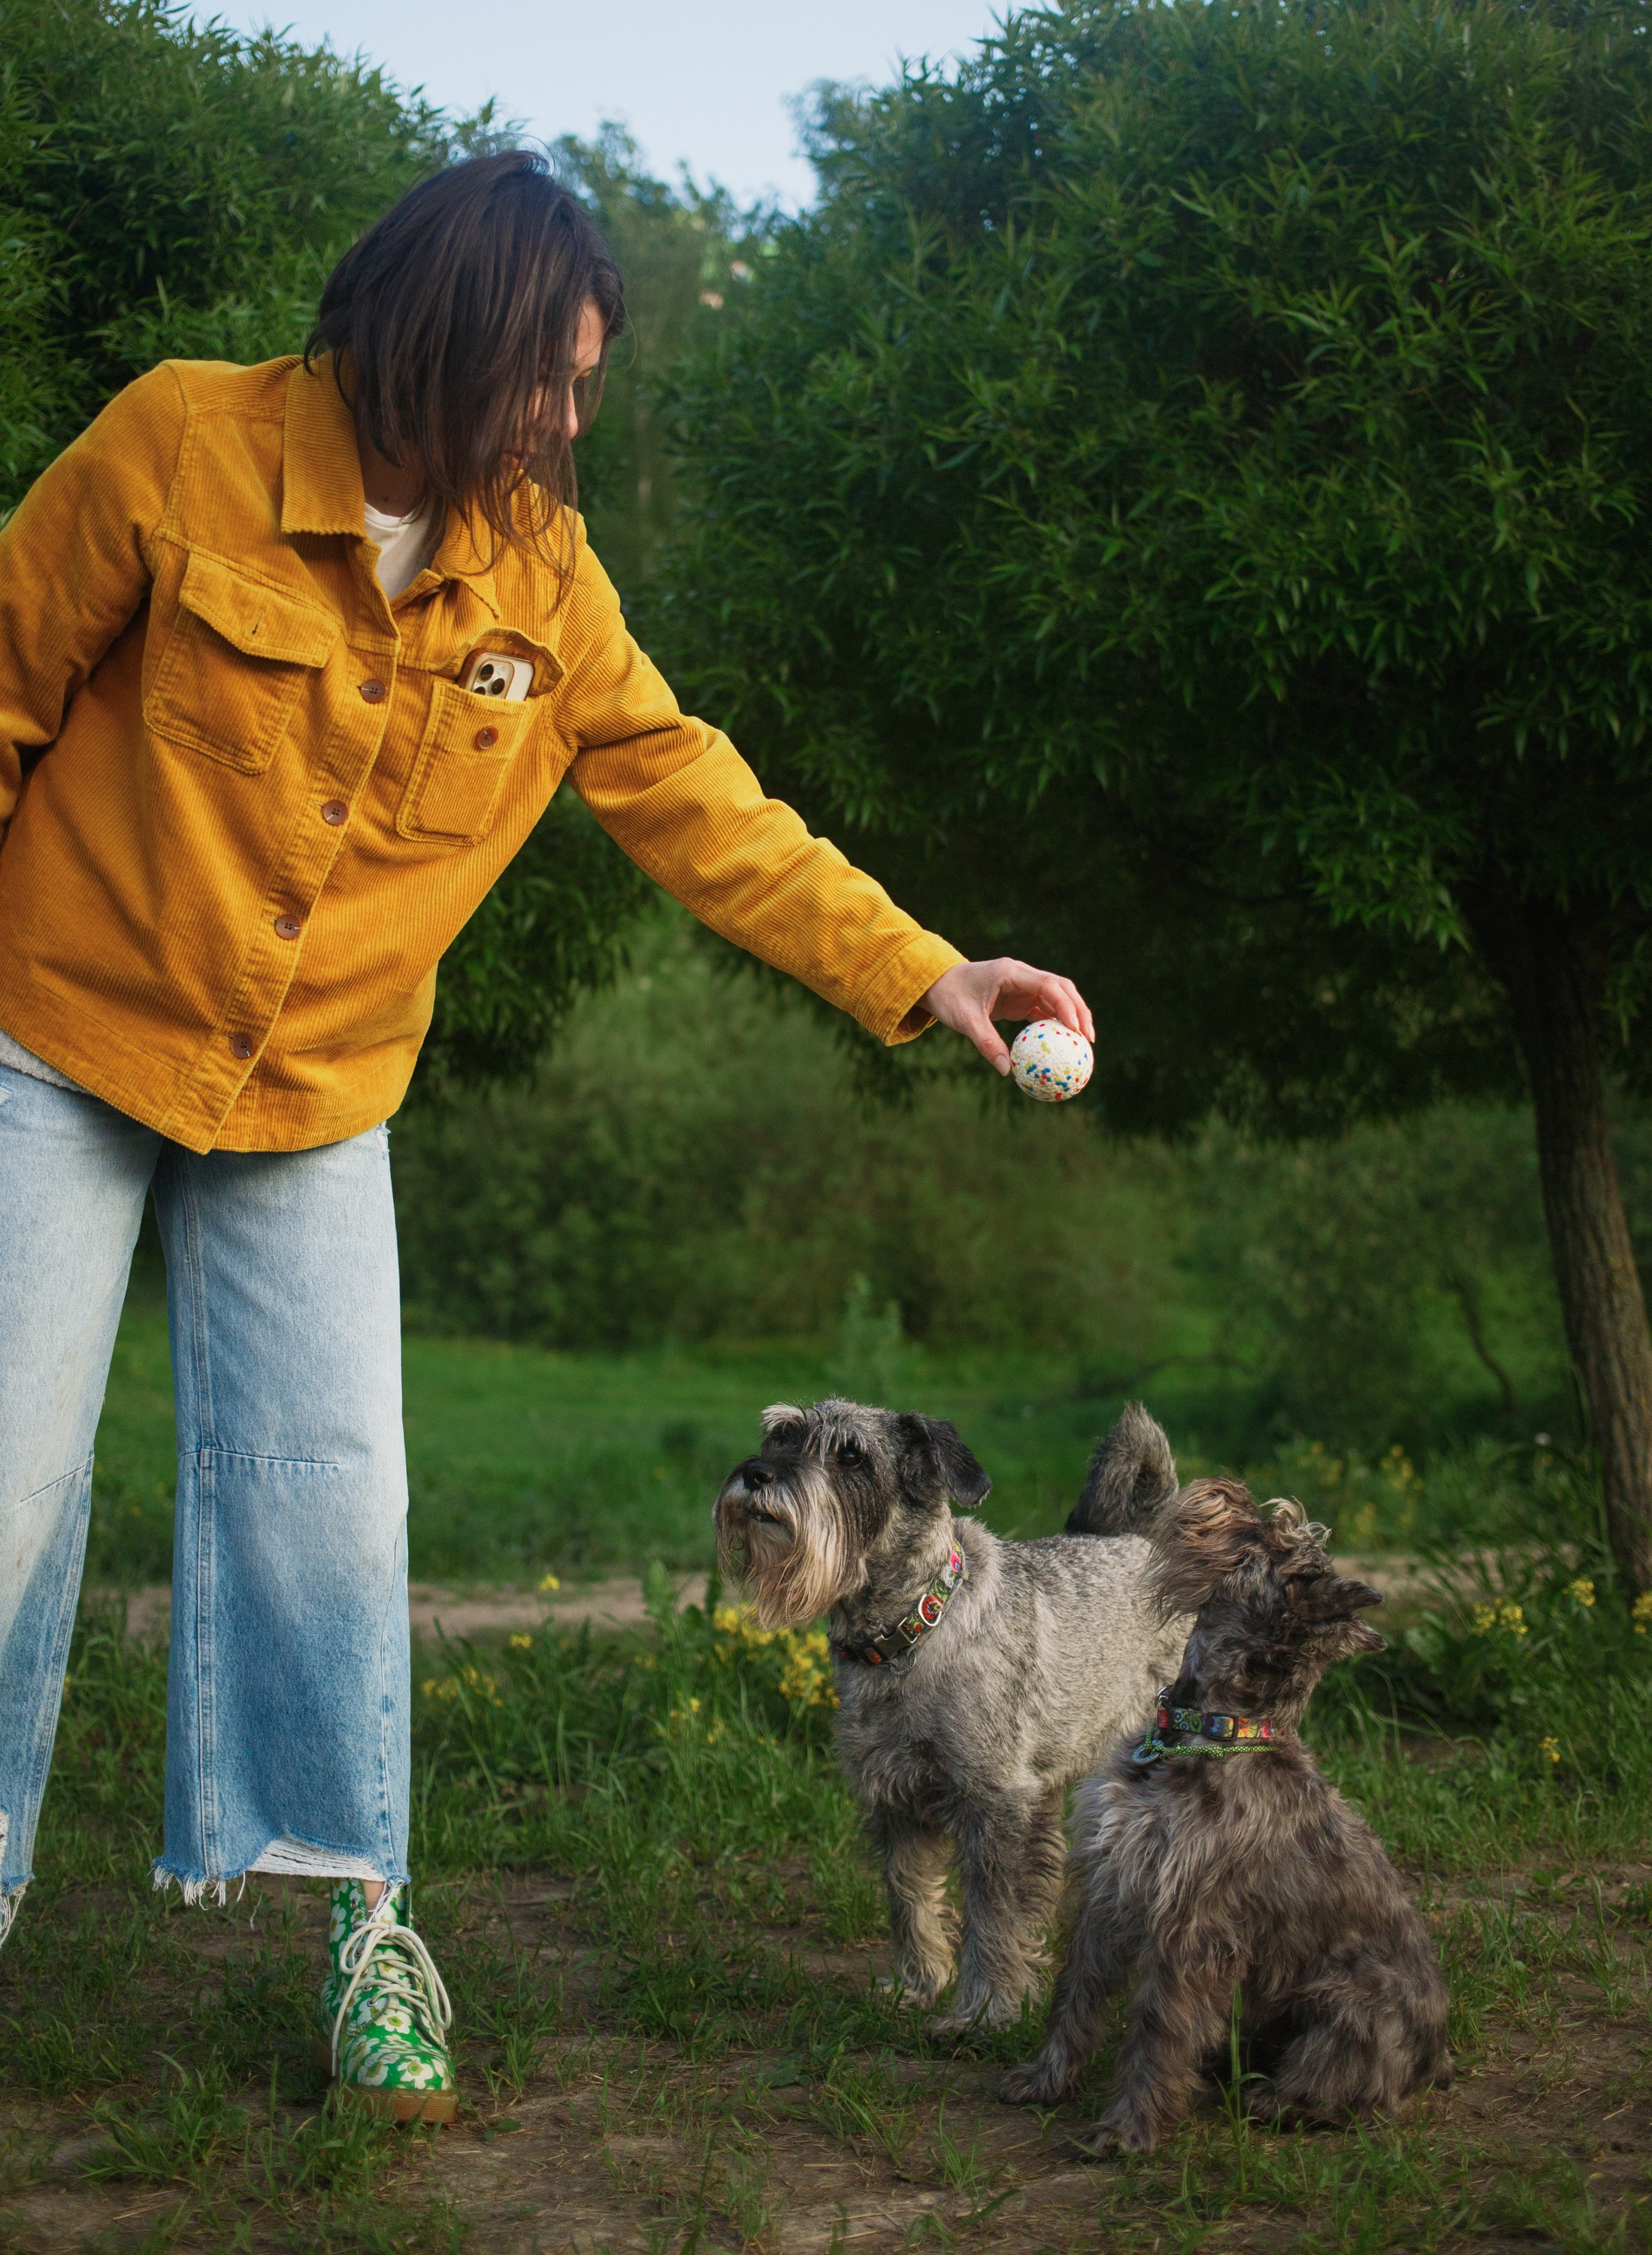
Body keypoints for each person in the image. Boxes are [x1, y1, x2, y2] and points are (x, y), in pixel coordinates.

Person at [0, 150, 1094, 2120]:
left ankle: (362, 1937)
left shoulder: (541, 573)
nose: (568, 418)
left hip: (318, 1099)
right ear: (441, 334)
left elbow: (704, 803)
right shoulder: (180, 445)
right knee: (0, 1490)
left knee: (338, 1517)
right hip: (59, 1036)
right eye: (546, 375)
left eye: (587, 383)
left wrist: (932, 975)